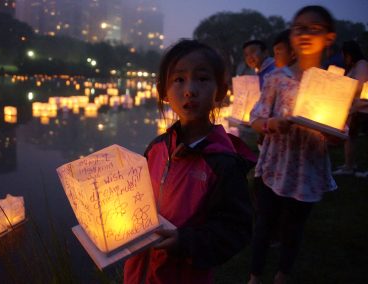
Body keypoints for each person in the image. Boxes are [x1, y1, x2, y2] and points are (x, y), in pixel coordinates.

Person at [124, 39, 253, 284]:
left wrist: (186, 241)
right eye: (179, 80)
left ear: (221, 92)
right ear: (164, 92)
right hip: (140, 272)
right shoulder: (156, 148)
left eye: (202, 79)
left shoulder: (222, 163)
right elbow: (136, 198)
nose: (190, 90)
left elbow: (236, 229)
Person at [247, 6, 338, 284]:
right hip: (275, 162)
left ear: (329, 37)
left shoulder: (332, 83)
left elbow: (336, 134)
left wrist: (329, 132)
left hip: (307, 169)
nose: (305, 34)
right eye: (299, 28)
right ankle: (255, 275)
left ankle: (283, 273)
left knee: (294, 226)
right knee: (264, 222)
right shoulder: (278, 78)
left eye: (314, 28)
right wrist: (270, 124)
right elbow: (256, 117)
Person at [332, 40, 368, 176]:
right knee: (349, 137)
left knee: (350, 137)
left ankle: (349, 166)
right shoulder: (354, 66)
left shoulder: (362, 65)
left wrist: (343, 85)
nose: (343, 58)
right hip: (354, 108)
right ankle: (349, 163)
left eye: (345, 55)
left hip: (361, 108)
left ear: (350, 54)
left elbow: (359, 85)